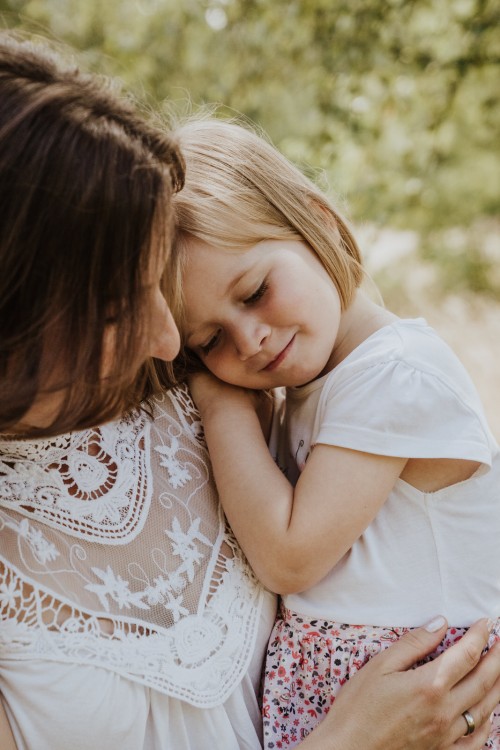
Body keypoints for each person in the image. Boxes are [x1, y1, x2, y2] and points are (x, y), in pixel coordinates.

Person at [0, 31, 499, 750]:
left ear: (317, 218)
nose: (171, 346)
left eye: (256, 291)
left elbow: (304, 551)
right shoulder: (236, 385)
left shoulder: (336, 380)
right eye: (118, 307)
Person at [168, 115, 500, 748]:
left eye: (256, 291)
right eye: (209, 342)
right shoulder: (315, 387)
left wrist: (218, 401)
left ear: (317, 223)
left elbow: (289, 557)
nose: (250, 338)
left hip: (431, 707)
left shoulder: (394, 374)